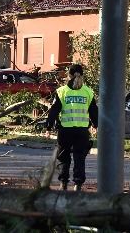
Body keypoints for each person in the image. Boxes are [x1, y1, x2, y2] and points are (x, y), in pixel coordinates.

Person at [45, 63, 98, 191]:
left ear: (69, 76)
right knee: (79, 157)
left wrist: (48, 127)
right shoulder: (88, 92)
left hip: (65, 130)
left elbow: (54, 110)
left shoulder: (62, 91)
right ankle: (77, 184)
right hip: (82, 131)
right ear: (83, 76)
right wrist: (96, 125)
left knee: (64, 157)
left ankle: (63, 183)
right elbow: (94, 111)